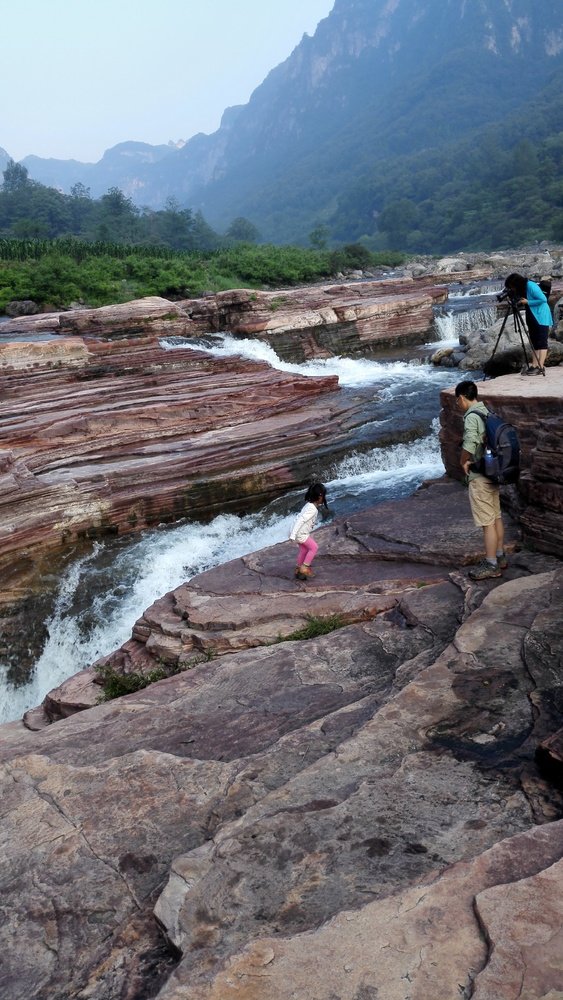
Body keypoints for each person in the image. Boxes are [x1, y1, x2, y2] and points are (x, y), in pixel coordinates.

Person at [455, 380, 507, 580]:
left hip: (479, 474)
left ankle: (492, 564)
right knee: (496, 517)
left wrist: (463, 462)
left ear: (461, 397)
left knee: (487, 523)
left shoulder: (471, 417)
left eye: (457, 401)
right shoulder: (486, 411)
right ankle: (501, 556)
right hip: (493, 471)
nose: (457, 405)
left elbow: (469, 442)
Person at [504, 272, 553, 374]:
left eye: (512, 287)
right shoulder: (521, 289)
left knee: (542, 342)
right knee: (534, 342)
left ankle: (541, 366)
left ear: (516, 283)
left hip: (541, 315)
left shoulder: (531, 286)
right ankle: (534, 365)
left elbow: (543, 299)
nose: (512, 289)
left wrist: (528, 302)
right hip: (531, 315)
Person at [289, 482, 327, 580]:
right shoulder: (312, 509)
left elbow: (298, 518)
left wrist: (292, 532)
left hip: (298, 533)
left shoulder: (308, 505)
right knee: (314, 547)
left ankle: (298, 568)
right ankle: (304, 568)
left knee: (304, 549)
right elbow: (300, 520)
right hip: (300, 534)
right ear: (320, 496)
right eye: (324, 496)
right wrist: (293, 534)